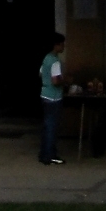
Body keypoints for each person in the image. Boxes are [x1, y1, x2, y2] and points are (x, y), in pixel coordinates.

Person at [38, 31, 66, 166]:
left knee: (46, 126)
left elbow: (41, 73)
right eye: (62, 45)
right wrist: (66, 80)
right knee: (52, 127)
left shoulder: (46, 58)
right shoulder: (55, 61)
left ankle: (44, 153)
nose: (63, 47)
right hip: (54, 97)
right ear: (57, 45)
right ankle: (50, 155)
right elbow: (56, 80)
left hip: (44, 94)